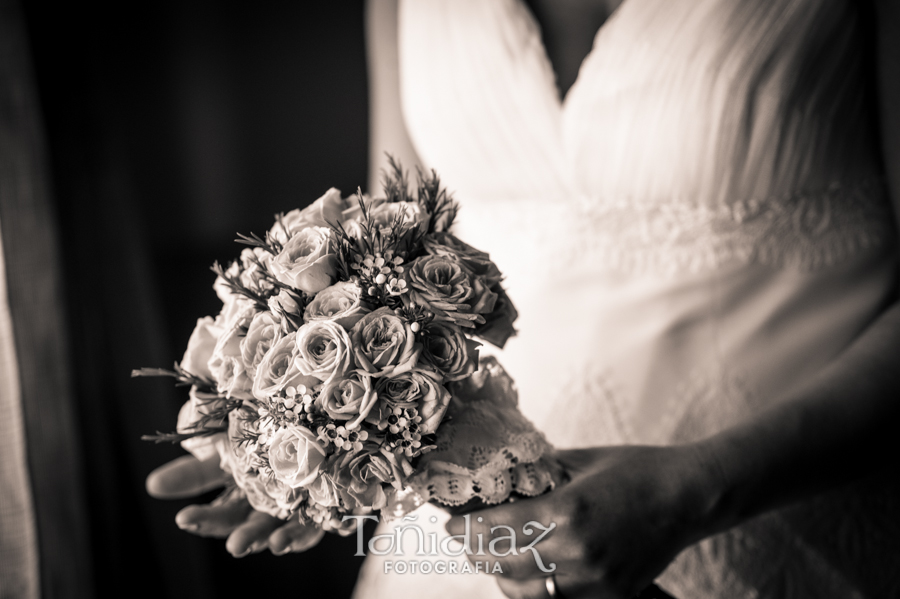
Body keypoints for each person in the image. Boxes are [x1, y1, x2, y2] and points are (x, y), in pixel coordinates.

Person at [148, 0, 900, 597]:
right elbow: (382, 258)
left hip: (778, 512)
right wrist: (319, 436)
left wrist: (698, 489)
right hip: (467, 547)